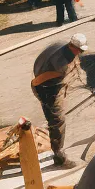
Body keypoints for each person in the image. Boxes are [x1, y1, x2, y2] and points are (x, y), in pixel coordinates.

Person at [31, 34, 87, 168]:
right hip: (47, 89)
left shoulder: (62, 45)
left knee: (55, 119)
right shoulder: (60, 65)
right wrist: (38, 92)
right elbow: (37, 81)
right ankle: (59, 156)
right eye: (79, 50)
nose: (81, 53)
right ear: (72, 46)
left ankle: (56, 143)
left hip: (49, 81)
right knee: (58, 120)